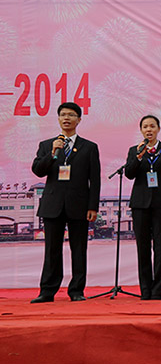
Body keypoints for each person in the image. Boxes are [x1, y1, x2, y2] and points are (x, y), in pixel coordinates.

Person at [30, 102, 100, 303]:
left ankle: (77, 290)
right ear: (58, 119)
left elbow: (94, 180)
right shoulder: (47, 145)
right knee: (52, 250)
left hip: (79, 205)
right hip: (53, 205)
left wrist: (92, 206)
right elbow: (38, 170)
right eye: (62, 115)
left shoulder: (89, 147)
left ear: (79, 119)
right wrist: (53, 153)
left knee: (79, 249)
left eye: (71, 115)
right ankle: (47, 291)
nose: (66, 118)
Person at [124, 115, 161, 300]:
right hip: (140, 204)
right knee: (143, 247)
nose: (149, 130)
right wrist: (138, 157)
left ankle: (158, 289)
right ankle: (145, 290)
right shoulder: (135, 150)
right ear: (141, 130)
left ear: (158, 129)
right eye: (145, 127)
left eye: (152, 126)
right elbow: (129, 174)